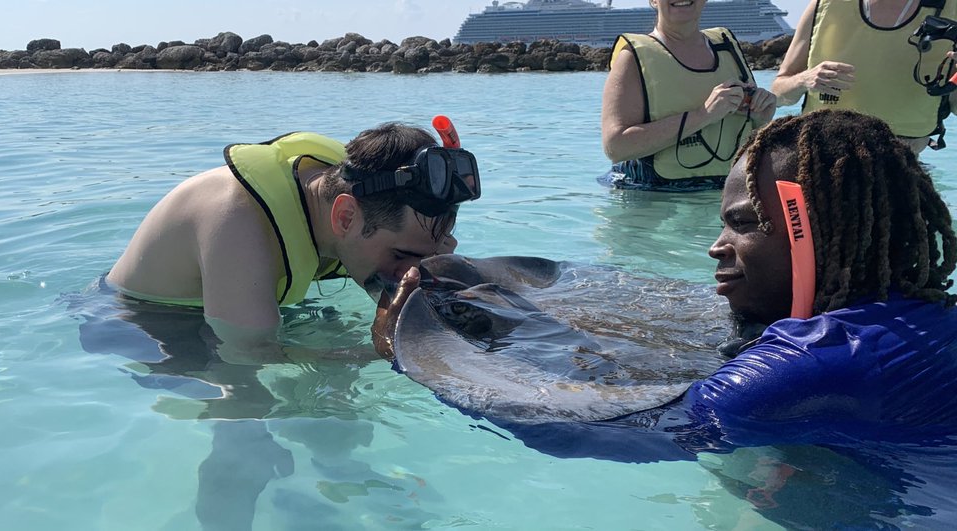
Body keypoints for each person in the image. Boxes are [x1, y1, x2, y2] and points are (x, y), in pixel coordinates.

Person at [376, 110, 957, 448]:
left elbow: (592, 431)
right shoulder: (915, 319)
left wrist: (408, 347)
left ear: (813, 235)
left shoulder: (823, 358)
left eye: (742, 225)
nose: (716, 247)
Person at [107, 122, 478, 359]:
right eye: (402, 254)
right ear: (345, 216)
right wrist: (386, 345)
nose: (409, 271)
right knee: (249, 405)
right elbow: (249, 354)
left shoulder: (348, 187)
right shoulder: (236, 222)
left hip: (242, 309)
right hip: (145, 328)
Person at [600, 0, 777, 191]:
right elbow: (615, 147)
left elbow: (748, 134)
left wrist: (761, 116)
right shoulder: (633, 56)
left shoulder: (727, 47)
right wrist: (704, 115)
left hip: (728, 190)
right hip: (651, 195)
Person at [771, 0, 957, 153]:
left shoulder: (951, 10)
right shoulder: (825, 6)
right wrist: (804, 80)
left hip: (901, 168)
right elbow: (778, 93)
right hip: (821, 155)